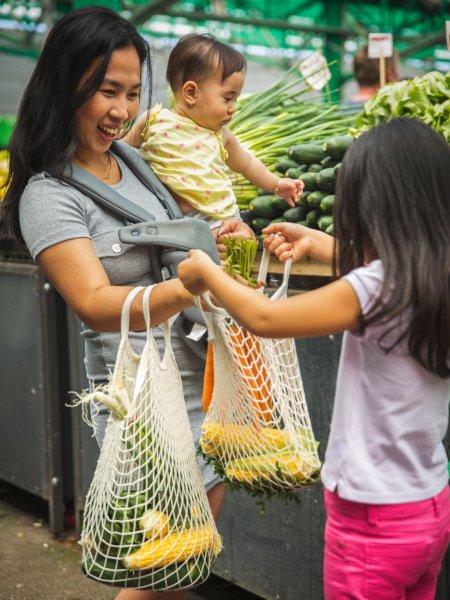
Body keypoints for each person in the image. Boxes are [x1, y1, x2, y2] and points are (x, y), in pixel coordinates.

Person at [0, 7, 254, 600]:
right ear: (66, 86)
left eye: (133, 93)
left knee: (183, 557)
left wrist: (216, 240)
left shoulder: (133, 161)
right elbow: (93, 302)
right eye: (105, 91)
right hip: (137, 391)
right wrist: (192, 285)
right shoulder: (48, 194)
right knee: (160, 564)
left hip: (193, 369)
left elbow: (174, 234)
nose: (121, 110)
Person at [177, 118, 450, 600]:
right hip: (428, 508)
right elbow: (397, 273)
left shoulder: (373, 288)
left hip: (370, 524)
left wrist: (207, 273)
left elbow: (264, 318)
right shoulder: (433, 279)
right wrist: (324, 246)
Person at [124, 33, 304, 229]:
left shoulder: (221, 136)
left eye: (235, 99)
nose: (233, 107)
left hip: (219, 219)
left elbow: (249, 165)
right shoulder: (153, 120)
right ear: (191, 93)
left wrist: (277, 185)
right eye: (228, 98)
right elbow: (121, 151)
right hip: (168, 220)